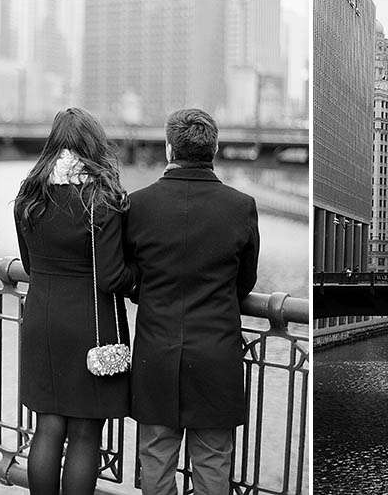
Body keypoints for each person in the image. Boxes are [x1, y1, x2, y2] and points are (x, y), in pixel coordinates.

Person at [125, 108, 259, 495]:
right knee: (213, 459)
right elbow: (244, 282)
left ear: (169, 148)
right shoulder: (240, 206)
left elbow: (131, 274)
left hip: (157, 351)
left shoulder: (138, 205)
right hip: (216, 352)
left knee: (155, 455)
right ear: (214, 149)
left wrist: (149, 292)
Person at [14, 107, 136, 495]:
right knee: (84, 431)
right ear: (93, 146)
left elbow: (30, 265)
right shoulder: (101, 198)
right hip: (89, 319)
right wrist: (141, 279)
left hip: (41, 317)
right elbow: (113, 274)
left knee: (47, 424)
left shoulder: (29, 194)